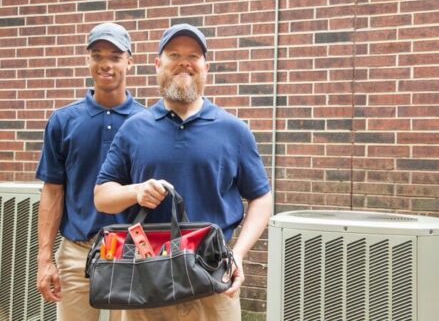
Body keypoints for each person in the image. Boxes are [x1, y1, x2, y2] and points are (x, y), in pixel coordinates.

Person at [94, 23, 273, 321]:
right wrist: (135, 191)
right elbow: (102, 196)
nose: (184, 62)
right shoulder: (133, 129)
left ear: (206, 67)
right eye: (174, 53)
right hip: (145, 282)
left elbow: (262, 198)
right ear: (157, 64)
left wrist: (238, 254)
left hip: (213, 281)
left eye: (193, 55)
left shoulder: (234, 131)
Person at [35, 22, 145, 321]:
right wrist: (45, 257)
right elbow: (53, 190)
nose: (105, 64)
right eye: (97, 55)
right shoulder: (63, 121)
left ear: (130, 62)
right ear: (88, 60)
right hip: (77, 253)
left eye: (115, 56)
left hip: (132, 253)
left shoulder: (149, 123)